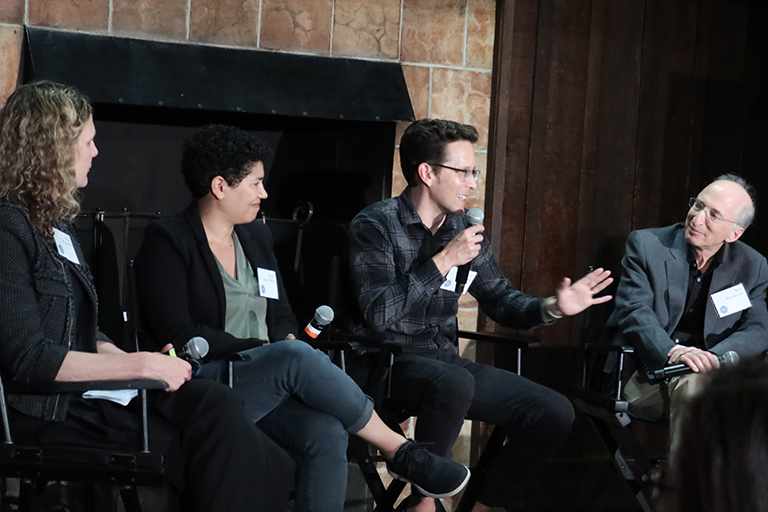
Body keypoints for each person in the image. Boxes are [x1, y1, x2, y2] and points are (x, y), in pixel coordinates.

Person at [135, 124, 471, 512]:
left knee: (326, 432)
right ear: (220, 187)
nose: (264, 193)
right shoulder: (169, 240)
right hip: (204, 381)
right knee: (292, 358)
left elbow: (280, 312)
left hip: (266, 379)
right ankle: (400, 450)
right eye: (256, 183)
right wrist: (267, 350)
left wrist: (284, 339)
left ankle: (398, 452)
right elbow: (178, 332)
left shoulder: (255, 238)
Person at [0, 81, 296, 511]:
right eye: (89, 141)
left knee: (218, 405)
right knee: (223, 448)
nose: (96, 152)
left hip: (90, 395)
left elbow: (86, 331)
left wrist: (139, 364)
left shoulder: (58, 227)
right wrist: (136, 365)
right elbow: (28, 360)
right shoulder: (9, 229)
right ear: (53, 149)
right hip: (43, 411)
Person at [344, 118, 613, 512]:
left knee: (553, 411)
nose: (472, 182)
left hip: (445, 364)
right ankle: (424, 502)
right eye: (464, 172)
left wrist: (553, 308)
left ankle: (483, 507)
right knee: (452, 382)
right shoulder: (376, 225)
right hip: (386, 364)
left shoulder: (464, 230)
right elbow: (378, 313)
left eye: (475, 171)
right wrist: (443, 261)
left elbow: (501, 300)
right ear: (427, 173)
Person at [602, 175, 768, 442]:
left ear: (734, 233)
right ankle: (688, 483)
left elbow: (758, 328)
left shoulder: (753, 266)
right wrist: (674, 352)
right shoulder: (647, 246)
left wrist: (713, 359)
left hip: (717, 374)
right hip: (648, 371)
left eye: (713, 215)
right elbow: (634, 311)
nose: (697, 218)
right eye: (698, 205)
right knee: (698, 391)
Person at [659, 357, 768, 512]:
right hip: (658, 366)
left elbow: (759, 331)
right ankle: (690, 491)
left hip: (728, 360)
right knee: (693, 387)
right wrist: (672, 350)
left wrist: (711, 356)